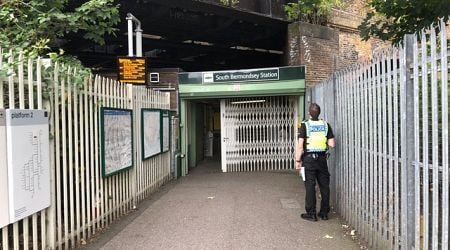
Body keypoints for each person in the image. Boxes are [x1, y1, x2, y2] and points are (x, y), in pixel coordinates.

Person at [295, 103, 336, 221]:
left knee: (310, 186)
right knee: (324, 185)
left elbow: (300, 146)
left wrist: (298, 160)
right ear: (319, 113)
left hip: (309, 160)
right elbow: (332, 144)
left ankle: (311, 213)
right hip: (322, 159)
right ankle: (324, 213)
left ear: (309, 113)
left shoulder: (305, 125)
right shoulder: (325, 125)